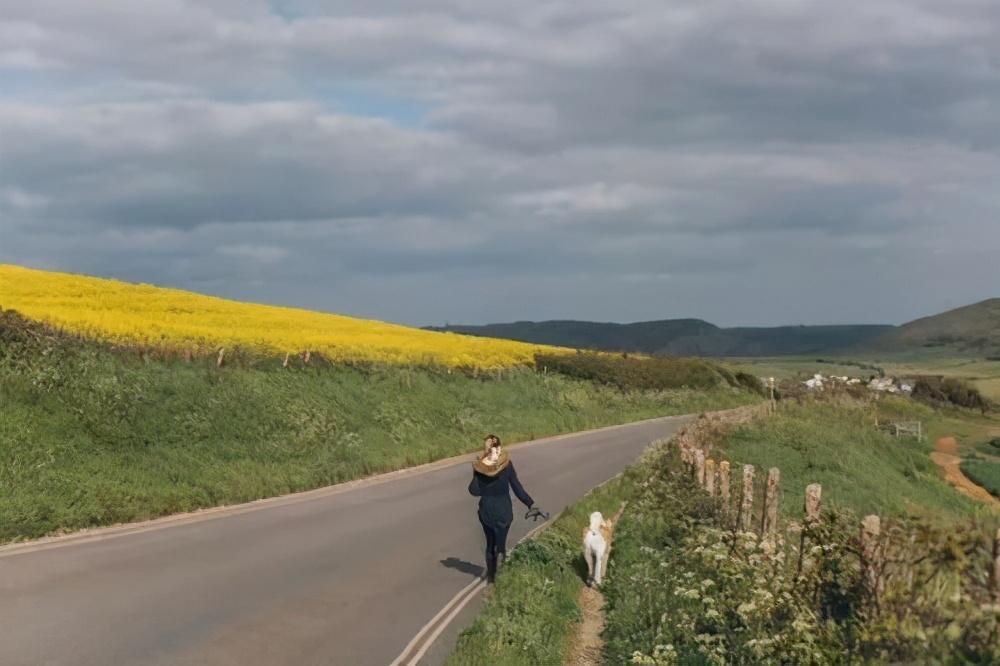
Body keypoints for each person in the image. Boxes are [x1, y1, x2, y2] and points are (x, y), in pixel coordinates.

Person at [467, 434, 546, 583]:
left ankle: (491, 578)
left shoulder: (481, 468)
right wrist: (530, 504)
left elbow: (474, 491)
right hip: (504, 511)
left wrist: (476, 473)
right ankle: (500, 579)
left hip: (486, 512)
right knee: (500, 546)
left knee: (490, 545)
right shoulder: (507, 465)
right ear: (499, 448)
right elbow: (517, 487)